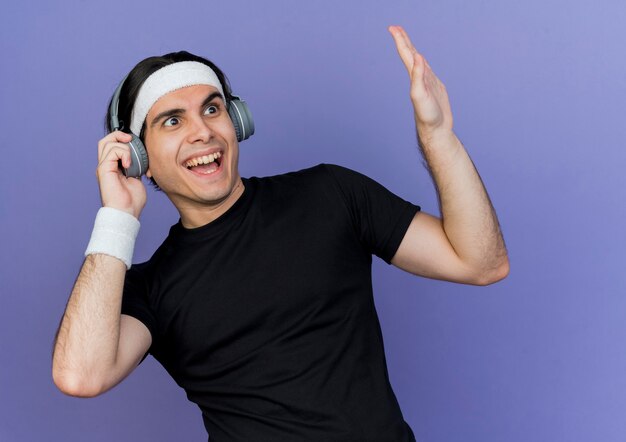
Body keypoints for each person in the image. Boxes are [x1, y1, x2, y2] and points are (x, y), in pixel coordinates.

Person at [52, 25, 509, 441]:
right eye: (172, 120)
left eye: (212, 109)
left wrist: (437, 135)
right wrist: (117, 217)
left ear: (237, 121)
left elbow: (481, 262)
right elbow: (80, 375)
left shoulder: (330, 193)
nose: (202, 132)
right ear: (137, 155)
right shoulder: (151, 288)